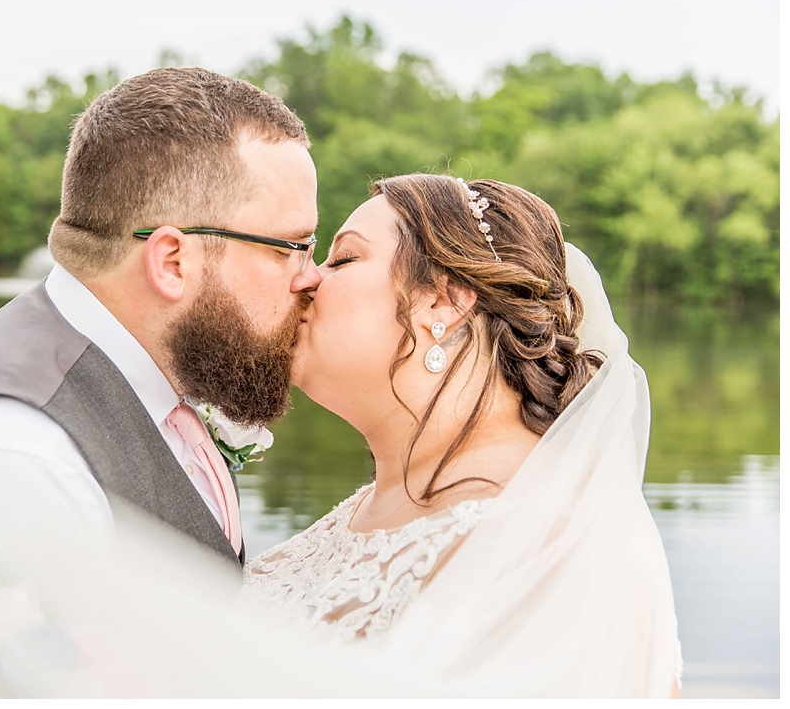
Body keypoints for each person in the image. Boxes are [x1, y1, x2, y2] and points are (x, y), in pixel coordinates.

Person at [0, 68, 323, 697]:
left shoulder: (154, 391)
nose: (310, 278)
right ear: (173, 261)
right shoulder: (12, 460)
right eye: (293, 246)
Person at [243, 174, 682, 698]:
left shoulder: (540, 543)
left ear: (443, 302)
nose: (306, 280)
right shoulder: (373, 507)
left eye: (342, 259)